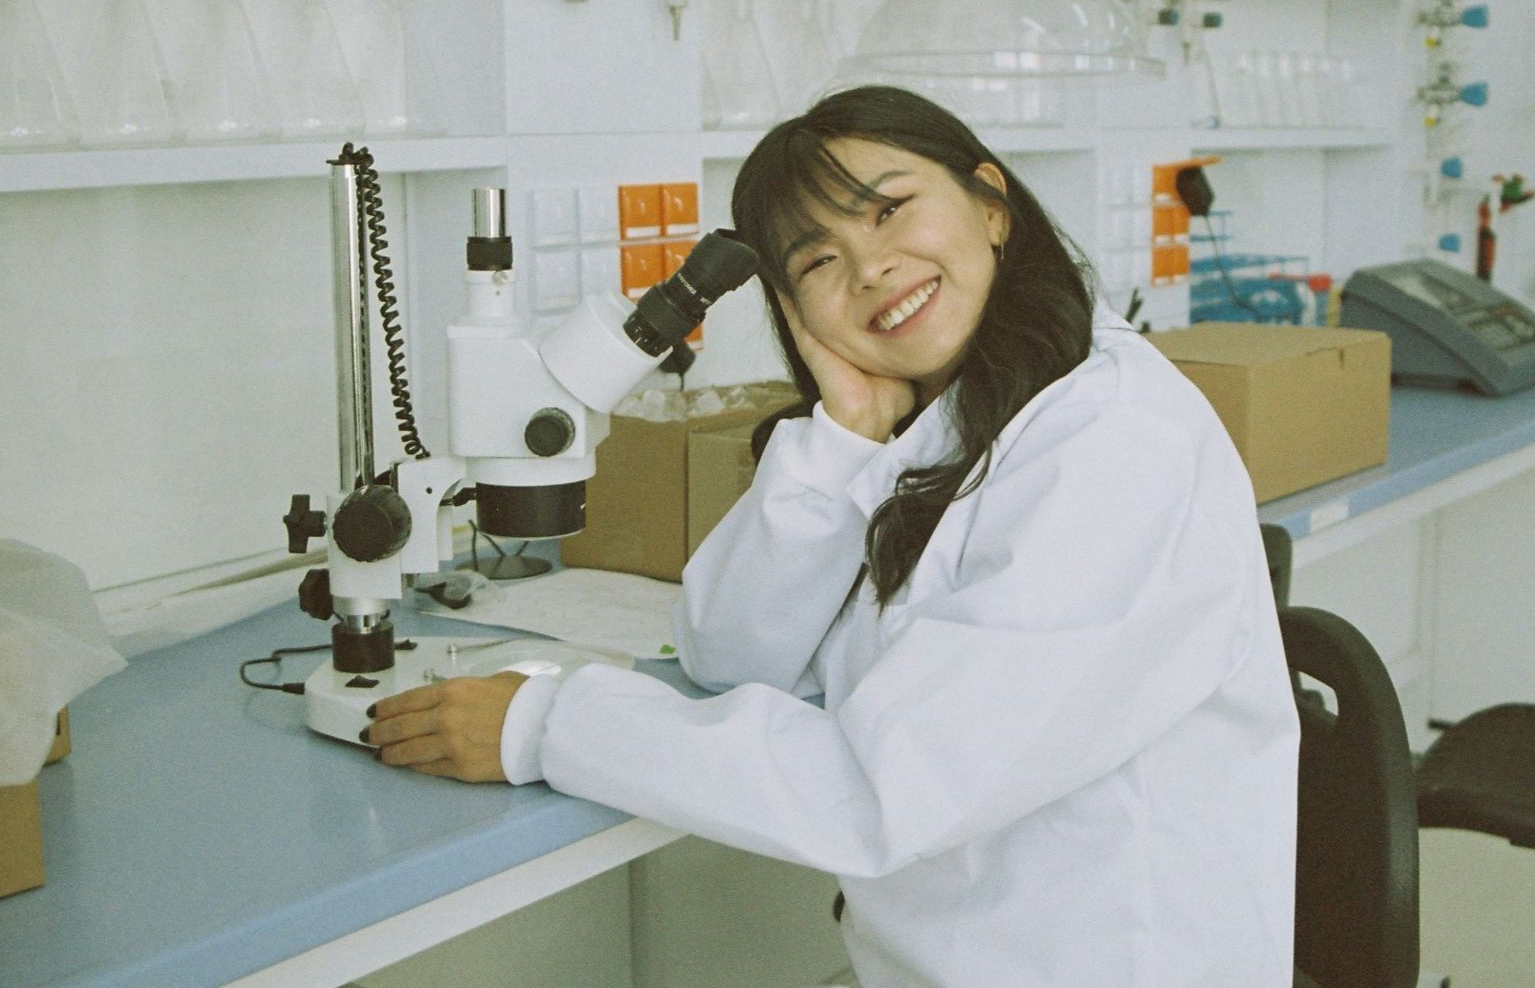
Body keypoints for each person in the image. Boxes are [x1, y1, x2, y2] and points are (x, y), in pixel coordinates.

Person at [365, 85, 1300, 986]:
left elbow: (879, 789)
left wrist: (547, 725)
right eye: (817, 262)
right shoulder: (952, 424)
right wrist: (840, 444)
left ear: (991, 205)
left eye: (891, 211)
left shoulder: (1112, 442)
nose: (869, 269)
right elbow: (729, 652)